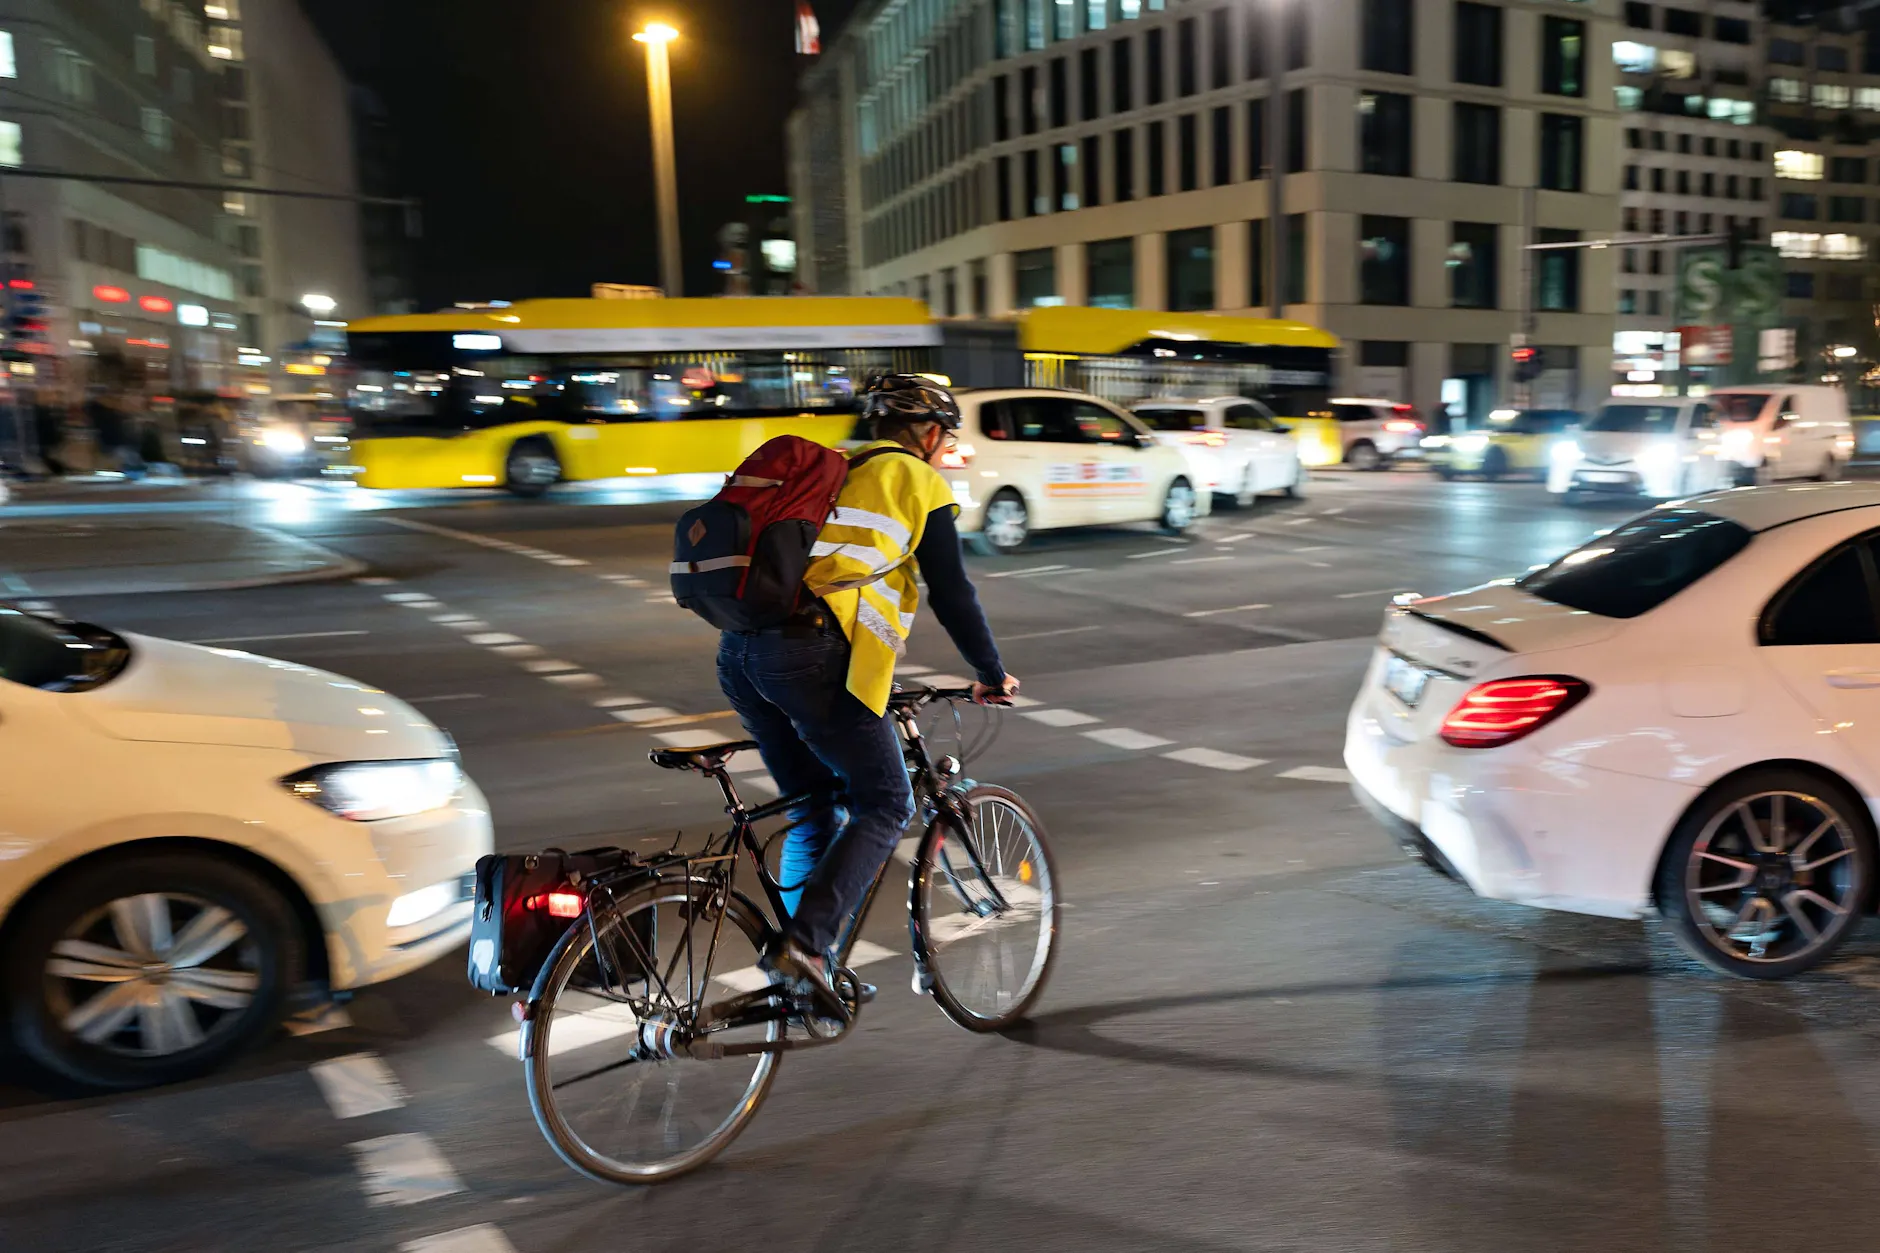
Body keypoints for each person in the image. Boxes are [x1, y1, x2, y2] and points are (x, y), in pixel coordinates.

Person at [716, 374, 1019, 1017]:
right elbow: (953, 593)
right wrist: (990, 670)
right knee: (885, 801)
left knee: (813, 807)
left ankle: (801, 967)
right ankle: (805, 946)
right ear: (931, 435)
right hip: (813, 655)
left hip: (741, 654)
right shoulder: (918, 482)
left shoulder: (834, 469)